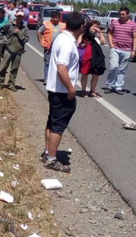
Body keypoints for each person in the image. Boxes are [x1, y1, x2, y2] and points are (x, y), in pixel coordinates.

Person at [42, 12, 86, 173]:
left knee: (52, 122)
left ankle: (48, 153)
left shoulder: (62, 37)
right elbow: (62, 68)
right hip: (61, 90)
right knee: (58, 126)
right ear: (81, 27)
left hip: (55, 88)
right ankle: (52, 159)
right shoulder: (68, 43)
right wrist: (71, 89)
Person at [105, 7, 136, 95]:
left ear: (128, 15)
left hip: (127, 50)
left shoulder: (133, 25)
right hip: (116, 49)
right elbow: (110, 33)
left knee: (122, 70)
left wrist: (134, 50)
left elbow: (135, 37)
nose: (121, 16)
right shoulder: (115, 23)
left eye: (123, 14)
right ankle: (109, 85)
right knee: (113, 67)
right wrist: (111, 45)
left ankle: (118, 86)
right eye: (120, 14)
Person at [0, 10, 29, 92]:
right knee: (3, 67)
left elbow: (26, 39)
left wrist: (19, 33)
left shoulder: (25, 28)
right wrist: (4, 41)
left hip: (19, 50)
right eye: (18, 16)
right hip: (9, 49)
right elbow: (0, 33)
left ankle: (11, 84)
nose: (19, 18)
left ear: (23, 17)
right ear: (15, 16)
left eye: (21, 16)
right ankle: (0, 83)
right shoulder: (9, 24)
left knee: (14, 69)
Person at [77, 20, 107, 97]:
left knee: (96, 74)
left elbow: (103, 42)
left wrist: (100, 33)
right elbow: (79, 44)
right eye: (93, 26)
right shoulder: (84, 34)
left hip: (96, 56)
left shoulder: (97, 34)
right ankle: (83, 90)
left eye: (96, 26)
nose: (95, 28)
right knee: (85, 74)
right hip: (87, 56)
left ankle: (92, 90)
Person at [37, 11, 66, 85]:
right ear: (51, 18)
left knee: (58, 63)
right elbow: (39, 32)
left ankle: (55, 78)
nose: (56, 19)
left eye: (57, 17)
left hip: (59, 48)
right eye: (54, 17)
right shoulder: (47, 24)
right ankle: (46, 78)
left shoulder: (63, 25)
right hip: (49, 47)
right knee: (47, 63)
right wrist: (41, 41)